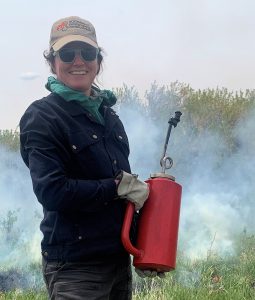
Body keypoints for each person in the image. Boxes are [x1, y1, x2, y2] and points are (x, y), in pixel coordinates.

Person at [19, 16, 162, 300]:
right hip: (76, 269)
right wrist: (116, 186)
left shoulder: (110, 118)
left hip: (117, 264)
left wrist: (143, 248)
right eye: (67, 54)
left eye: (87, 53)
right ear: (52, 62)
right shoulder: (42, 117)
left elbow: (123, 200)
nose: (78, 61)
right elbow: (52, 191)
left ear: (98, 60)